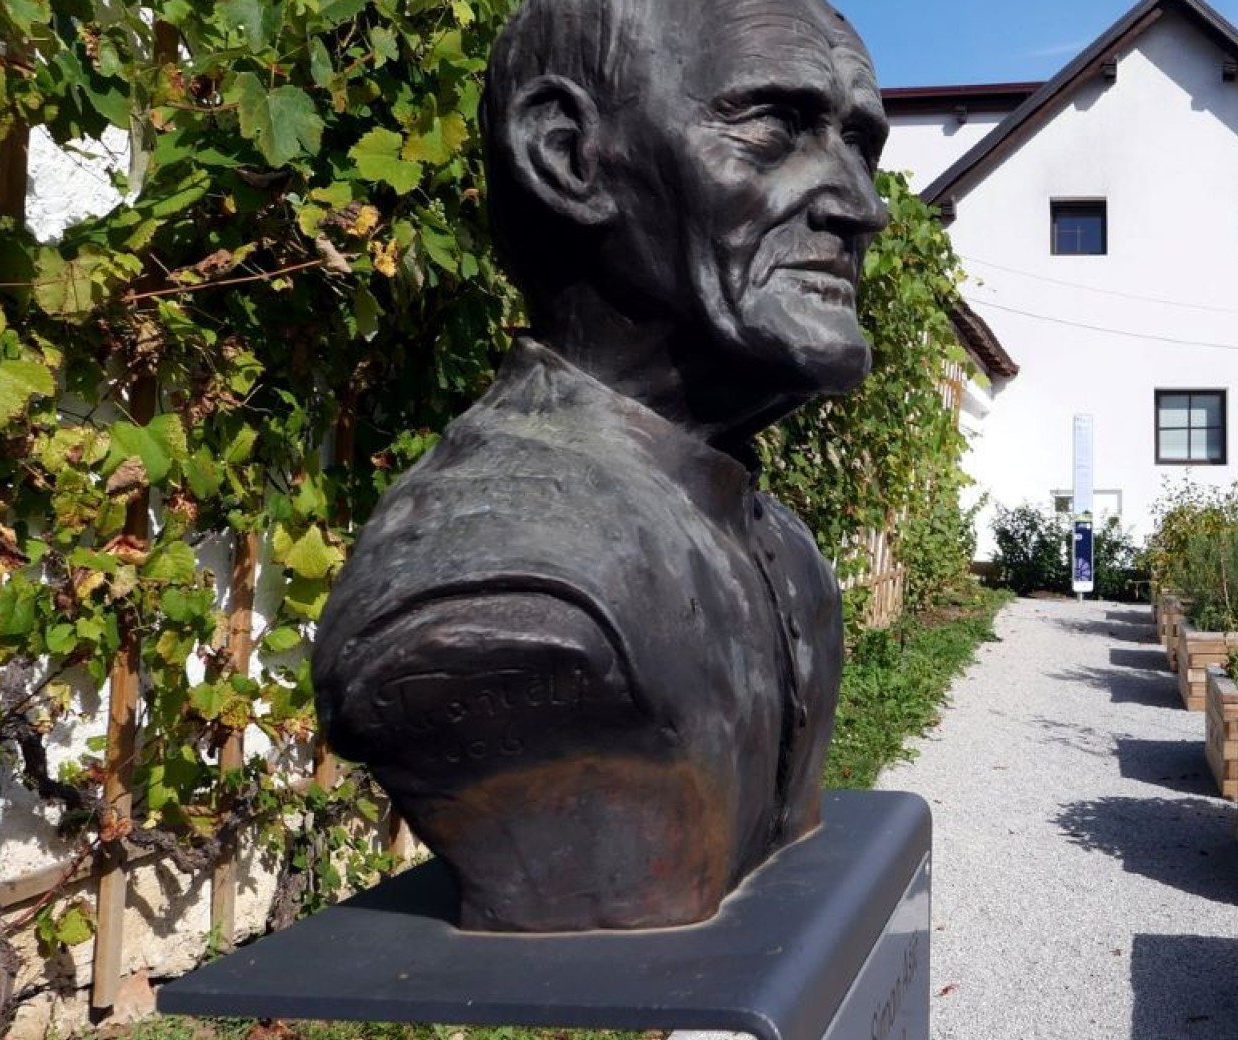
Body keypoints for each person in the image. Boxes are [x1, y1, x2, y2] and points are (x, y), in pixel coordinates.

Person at [311, 0, 889, 932]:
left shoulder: (784, 550)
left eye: (863, 146)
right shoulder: (500, 596)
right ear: (568, 156)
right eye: (775, 129)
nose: (862, 207)